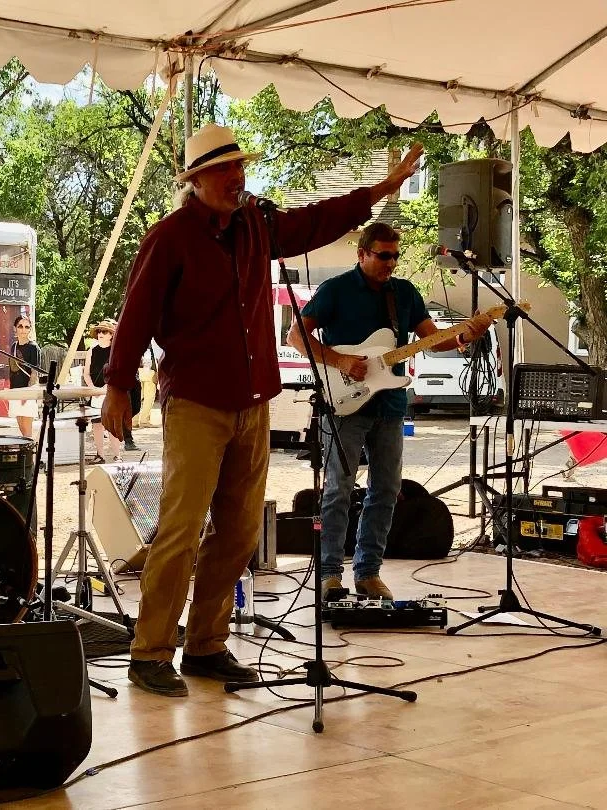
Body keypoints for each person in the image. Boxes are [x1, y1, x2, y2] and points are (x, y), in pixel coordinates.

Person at [102, 122, 425, 697]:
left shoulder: (257, 225)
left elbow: (317, 220)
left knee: (240, 531)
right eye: (225, 168)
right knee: (180, 530)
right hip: (197, 402)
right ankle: (150, 651)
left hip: (253, 401)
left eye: (240, 166)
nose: (238, 176)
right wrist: (118, 385)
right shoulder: (170, 237)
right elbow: (137, 314)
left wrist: (381, 189)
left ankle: (206, 644)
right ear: (198, 179)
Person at [288, 221, 492, 602]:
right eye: (383, 255)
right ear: (362, 254)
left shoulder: (404, 293)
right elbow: (296, 335)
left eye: (395, 256)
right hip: (344, 405)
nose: (391, 263)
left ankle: (368, 571)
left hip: (390, 405)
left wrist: (464, 334)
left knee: (386, 490)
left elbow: (432, 340)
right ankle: (330, 573)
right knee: (338, 490)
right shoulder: (336, 290)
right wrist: (340, 361)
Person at [84, 319, 121, 463]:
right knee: (97, 425)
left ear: (111, 335)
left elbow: (117, 373)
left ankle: (117, 455)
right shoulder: (91, 351)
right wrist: (93, 389)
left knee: (112, 425)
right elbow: (86, 373)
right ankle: (100, 455)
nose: (101, 333)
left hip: (110, 392)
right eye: (99, 331)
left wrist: (106, 389)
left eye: (105, 331)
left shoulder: (115, 351)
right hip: (95, 393)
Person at [8, 314, 42, 439]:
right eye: (20, 326)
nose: (23, 329)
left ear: (30, 329)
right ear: (15, 328)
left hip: (27, 391)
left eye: (27, 327)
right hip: (15, 390)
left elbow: (34, 373)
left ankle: (32, 451)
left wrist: (26, 394)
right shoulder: (13, 346)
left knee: (27, 431)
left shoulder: (33, 347)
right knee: (21, 428)